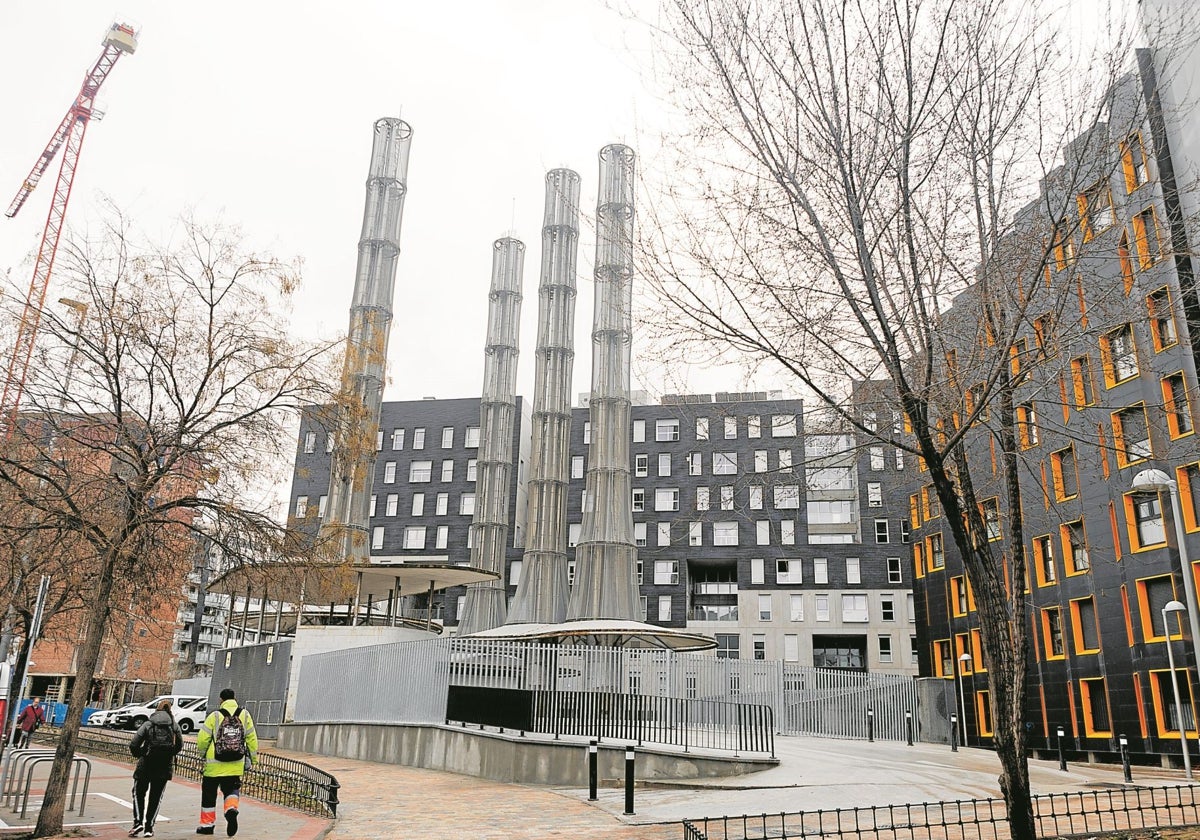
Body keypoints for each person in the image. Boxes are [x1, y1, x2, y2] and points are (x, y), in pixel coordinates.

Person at [195, 688, 257, 836]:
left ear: (221, 700)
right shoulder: (245, 715)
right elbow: (252, 739)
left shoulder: (214, 716)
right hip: (235, 763)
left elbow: (203, 739)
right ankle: (231, 809)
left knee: (209, 795)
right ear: (234, 698)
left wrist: (202, 755)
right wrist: (252, 759)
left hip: (213, 764)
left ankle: (207, 826)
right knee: (231, 790)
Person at [127, 699, 183, 838]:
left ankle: (138, 821)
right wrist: (168, 754)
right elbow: (179, 746)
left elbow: (134, 744)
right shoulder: (174, 726)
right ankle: (149, 827)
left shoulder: (148, 724)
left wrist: (141, 754)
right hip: (164, 767)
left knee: (138, 793)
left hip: (145, 765)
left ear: (157, 709)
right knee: (155, 798)